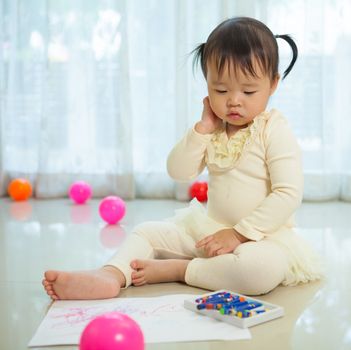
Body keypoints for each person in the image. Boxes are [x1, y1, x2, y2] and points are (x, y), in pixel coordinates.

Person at [42, 16, 323, 300]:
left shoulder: (273, 129)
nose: (233, 100)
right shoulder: (212, 129)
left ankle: (181, 270)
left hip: (260, 238)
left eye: (248, 91)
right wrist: (202, 130)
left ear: (273, 84)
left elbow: (288, 193)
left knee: (259, 271)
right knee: (146, 232)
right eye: (220, 90)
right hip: (210, 232)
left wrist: (238, 235)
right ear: (207, 84)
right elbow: (178, 170)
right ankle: (112, 275)